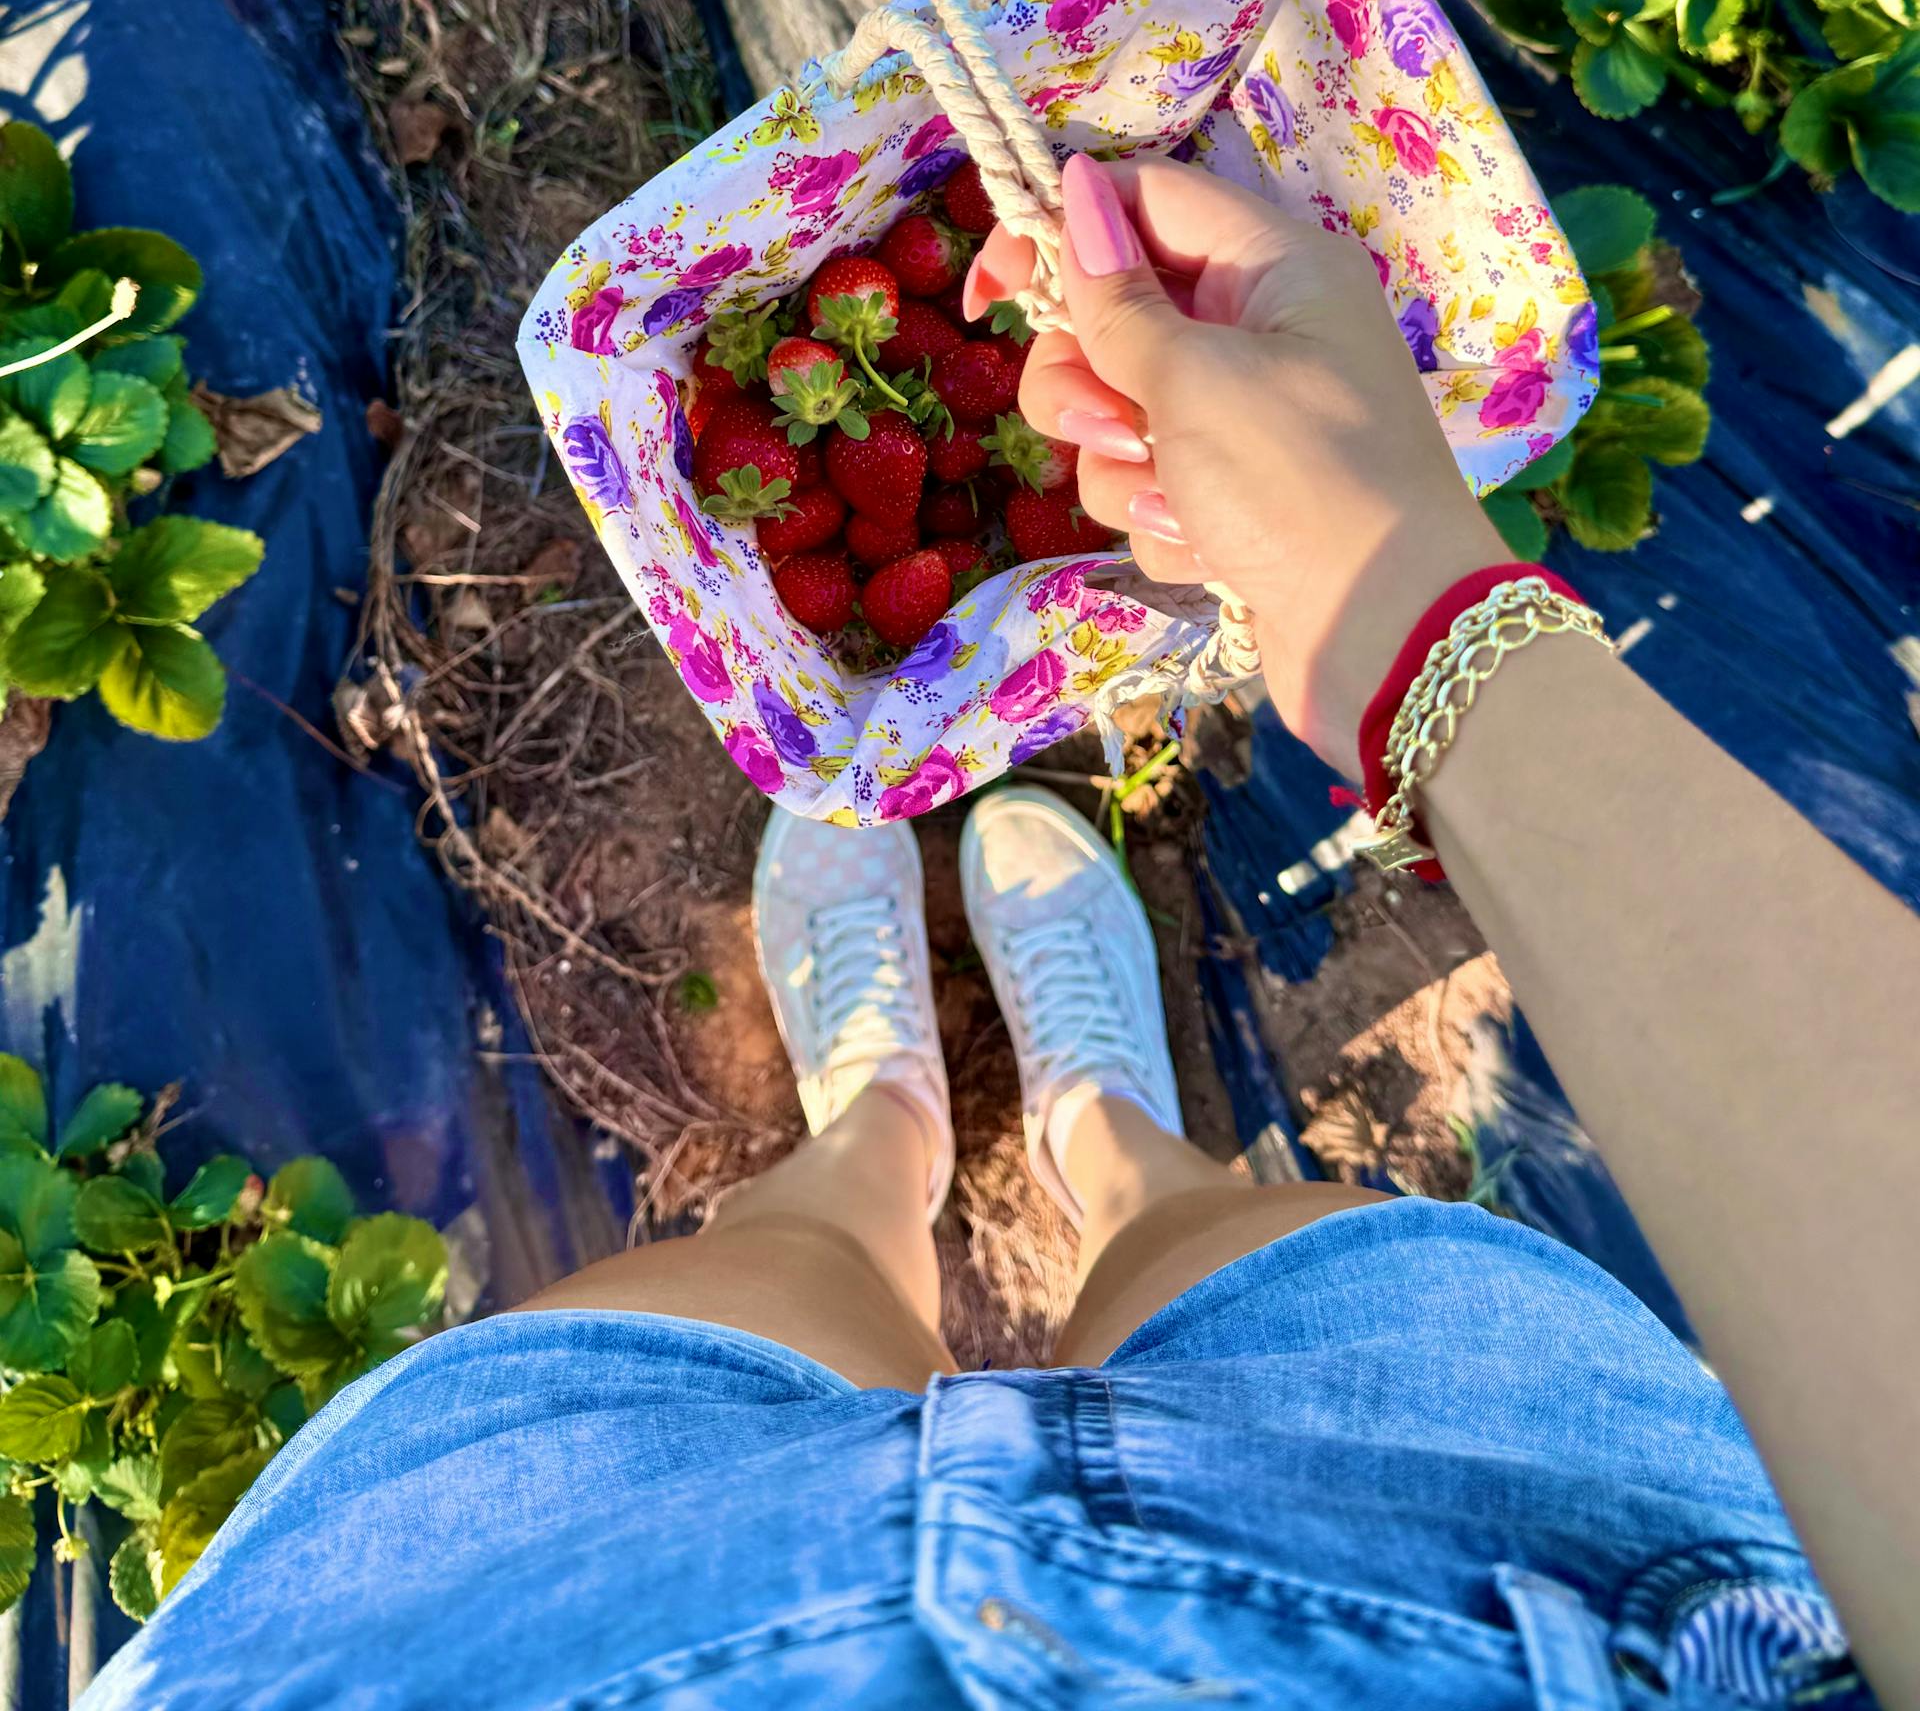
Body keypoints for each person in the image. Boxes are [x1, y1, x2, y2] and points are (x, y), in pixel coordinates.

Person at [89, 154, 1920, 1711]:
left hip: (502, 1644)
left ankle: (884, 1122)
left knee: (740, 1302)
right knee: (1258, 1258)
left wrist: (1392, 583)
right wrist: (1398, 586)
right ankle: (1086, 1122)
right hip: (1522, 1595)